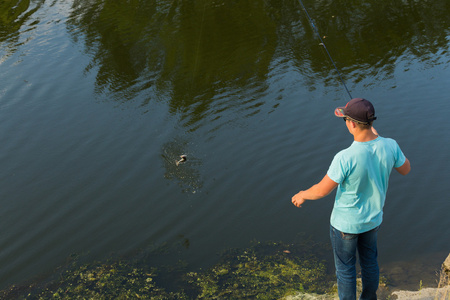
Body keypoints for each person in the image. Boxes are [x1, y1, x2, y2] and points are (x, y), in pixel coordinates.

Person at [291, 98, 411, 300]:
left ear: (352, 124)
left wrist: (302, 194)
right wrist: (378, 138)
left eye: (345, 119)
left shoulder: (345, 157)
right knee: (370, 261)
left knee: (346, 269)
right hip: (372, 221)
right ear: (371, 122)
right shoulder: (390, 145)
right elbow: (406, 169)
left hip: (345, 226)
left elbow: (321, 190)